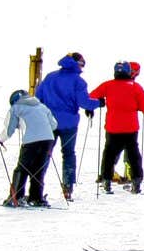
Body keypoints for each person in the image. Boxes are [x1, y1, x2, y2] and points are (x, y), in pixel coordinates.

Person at [35, 53, 99, 202]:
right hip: (69, 124)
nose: (82, 68)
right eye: (82, 64)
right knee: (68, 154)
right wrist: (99, 103)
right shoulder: (78, 81)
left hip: (48, 122)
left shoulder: (50, 77)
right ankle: (67, 188)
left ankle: (37, 187)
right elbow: (84, 102)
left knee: (44, 154)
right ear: (77, 63)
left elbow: (38, 97)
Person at [92, 60, 144, 194]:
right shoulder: (135, 87)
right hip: (130, 128)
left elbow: (92, 96)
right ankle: (136, 181)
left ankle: (106, 180)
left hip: (113, 127)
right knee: (133, 155)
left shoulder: (108, 85)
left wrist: (98, 103)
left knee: (109, 154)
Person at [0, 89, 57, 207]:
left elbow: (9, 130)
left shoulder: (16, 108)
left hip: (31, 141)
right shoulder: (42, 106)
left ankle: (16, 197)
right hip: (48, 139)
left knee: (22, 169)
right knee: (38, 169)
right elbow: (54, 125)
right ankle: (37, 198)